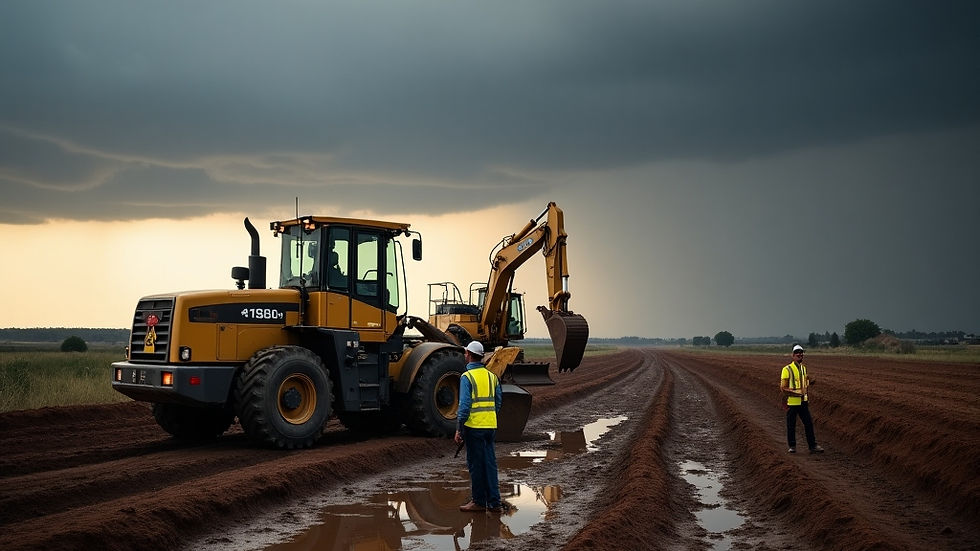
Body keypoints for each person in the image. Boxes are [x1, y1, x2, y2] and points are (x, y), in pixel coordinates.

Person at [455, 340, 503, 513]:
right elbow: (498, 402)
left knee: (476, 465)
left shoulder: (466, 377)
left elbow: (465, 406)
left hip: (474, 427)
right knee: (490, 463)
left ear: (468, 354)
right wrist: (489, 417)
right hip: (490, 426)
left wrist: (460, 428)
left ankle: (479, 502)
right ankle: (495, 502)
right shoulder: (492, 377)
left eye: (465, 353)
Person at [780, 344, 825, 454]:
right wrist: (797, 393)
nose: (800, 354)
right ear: (793, 355)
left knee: (808, 423)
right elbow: (783, 388)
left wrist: (810, 382)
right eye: (797, 353)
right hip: (792, 402)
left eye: (801, 353)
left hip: (803, 402)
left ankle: (812, 446)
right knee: (791, 425)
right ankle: (792, 446)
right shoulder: (787, 369)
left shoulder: (803, 368)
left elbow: (804, 382)